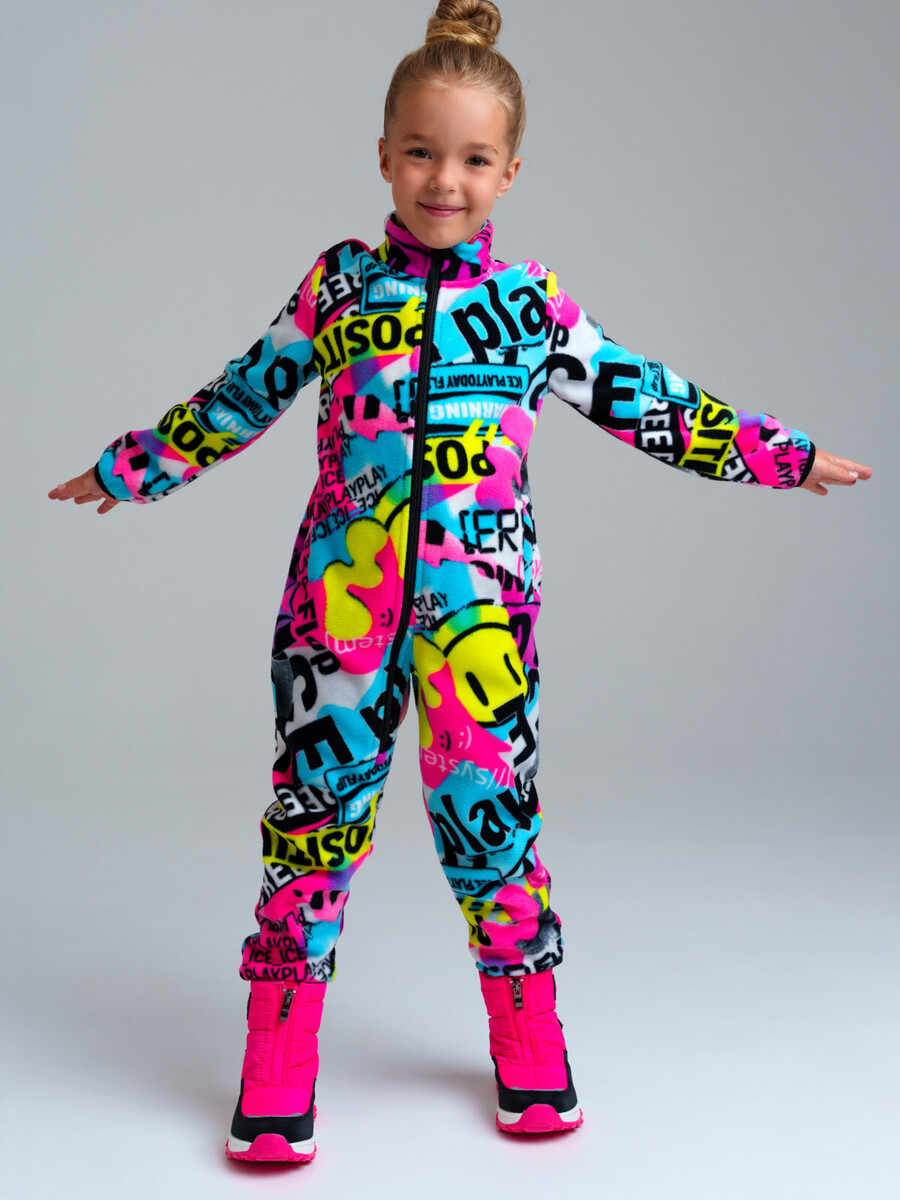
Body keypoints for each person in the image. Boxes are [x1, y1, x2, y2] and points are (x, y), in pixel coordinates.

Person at [48, 0, 871, 1165]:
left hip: (481, 626)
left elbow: (648, 399)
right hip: (335, 623)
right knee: (312, 823)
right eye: (422, 152)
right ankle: (279, 1042)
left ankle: (527, 1027)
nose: (446, 180)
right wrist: (132, 468)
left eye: (475, 159)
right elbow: (243, 392)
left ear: (511, 172)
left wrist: (782, 456)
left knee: (495, 828)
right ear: (383, 155)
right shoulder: (338, 286)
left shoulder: (532, 306)